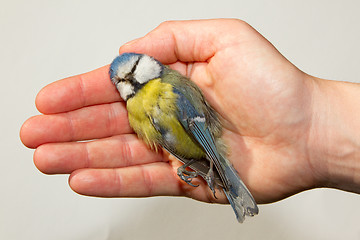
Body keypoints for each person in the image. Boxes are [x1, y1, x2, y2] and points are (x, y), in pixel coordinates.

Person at [20, 19, 360, 205]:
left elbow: (199, 131)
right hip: (196, 155)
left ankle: (223, 180)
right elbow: (168, 141)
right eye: (122, 81)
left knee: (220, 171)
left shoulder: (169, 87)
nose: (130, 81)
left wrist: (216, 164)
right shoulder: (134, 108)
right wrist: (195, 165)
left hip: (206, 145)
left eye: (134, 69)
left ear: (149, 63)